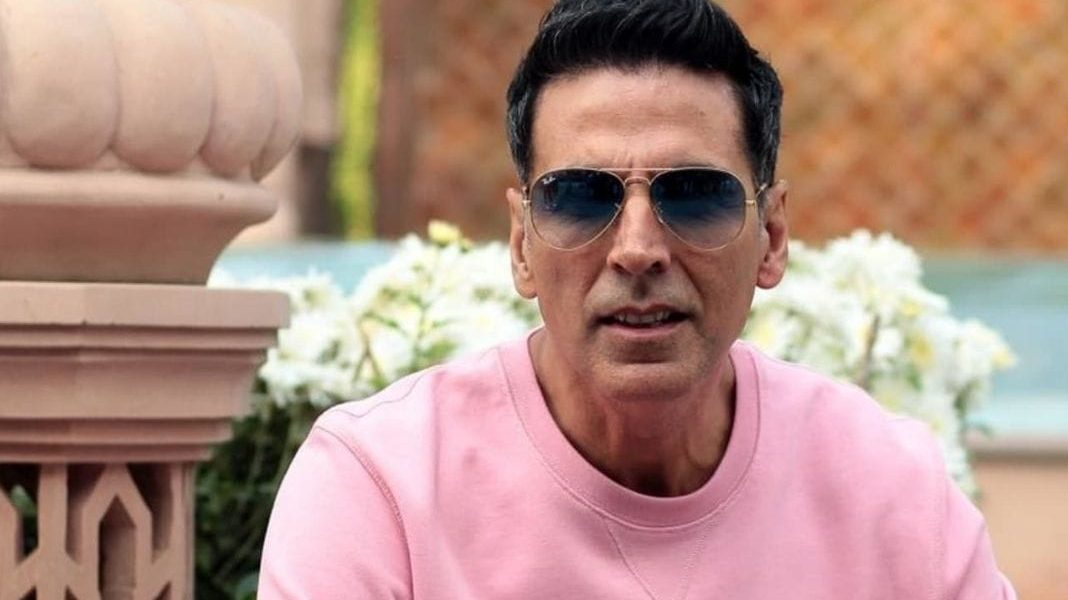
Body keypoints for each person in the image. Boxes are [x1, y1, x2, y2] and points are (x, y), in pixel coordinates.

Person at [258, 0, 1017, 597]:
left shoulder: (889, 490)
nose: (637, 248)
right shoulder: (381, 487)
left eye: (695, 194)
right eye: (580, 196)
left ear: (773, 236)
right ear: (522, 244)